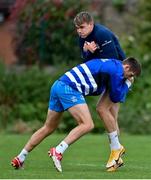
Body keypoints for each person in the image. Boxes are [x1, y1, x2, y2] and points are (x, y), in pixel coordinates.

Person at [11, 57, 141, 173]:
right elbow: (116, 96)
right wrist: (128, 84)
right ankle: (58, 151)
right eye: (129, 75)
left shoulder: (113, 65)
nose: (127, 77)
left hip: (58, 85)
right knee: (87, 124)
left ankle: (20, 158)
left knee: (48, 127)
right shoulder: (117, 70)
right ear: (127, 67)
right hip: (69, 88)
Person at [73, 11, 126, 171]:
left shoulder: (102, 34)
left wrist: (93, 52)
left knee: (105, 111)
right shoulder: (82, 38)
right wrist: (88, 52)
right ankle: (116, 157)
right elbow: (87, 61)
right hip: (110, 77)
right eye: (77, 28)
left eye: (82, 27)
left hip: (119, 76)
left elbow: (112, 63)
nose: (79, 31)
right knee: (111, 118)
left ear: (91, 24)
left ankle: (116, 156)